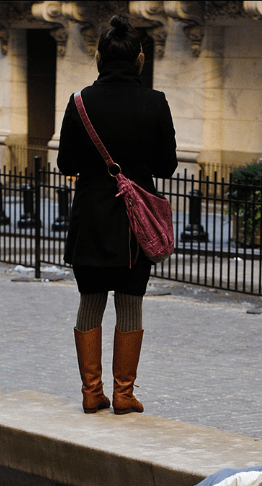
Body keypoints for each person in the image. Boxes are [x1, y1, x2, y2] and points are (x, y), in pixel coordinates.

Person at [57, 15, 177, 415]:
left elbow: (65, 163)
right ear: (139, 60)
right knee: (130, 303)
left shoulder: (79, 103)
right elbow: (167, 166)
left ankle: (92, 392)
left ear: (98, 59)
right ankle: (123, 394)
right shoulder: (154, 102)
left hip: (90, 221)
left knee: (89, 302)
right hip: (134, 226)